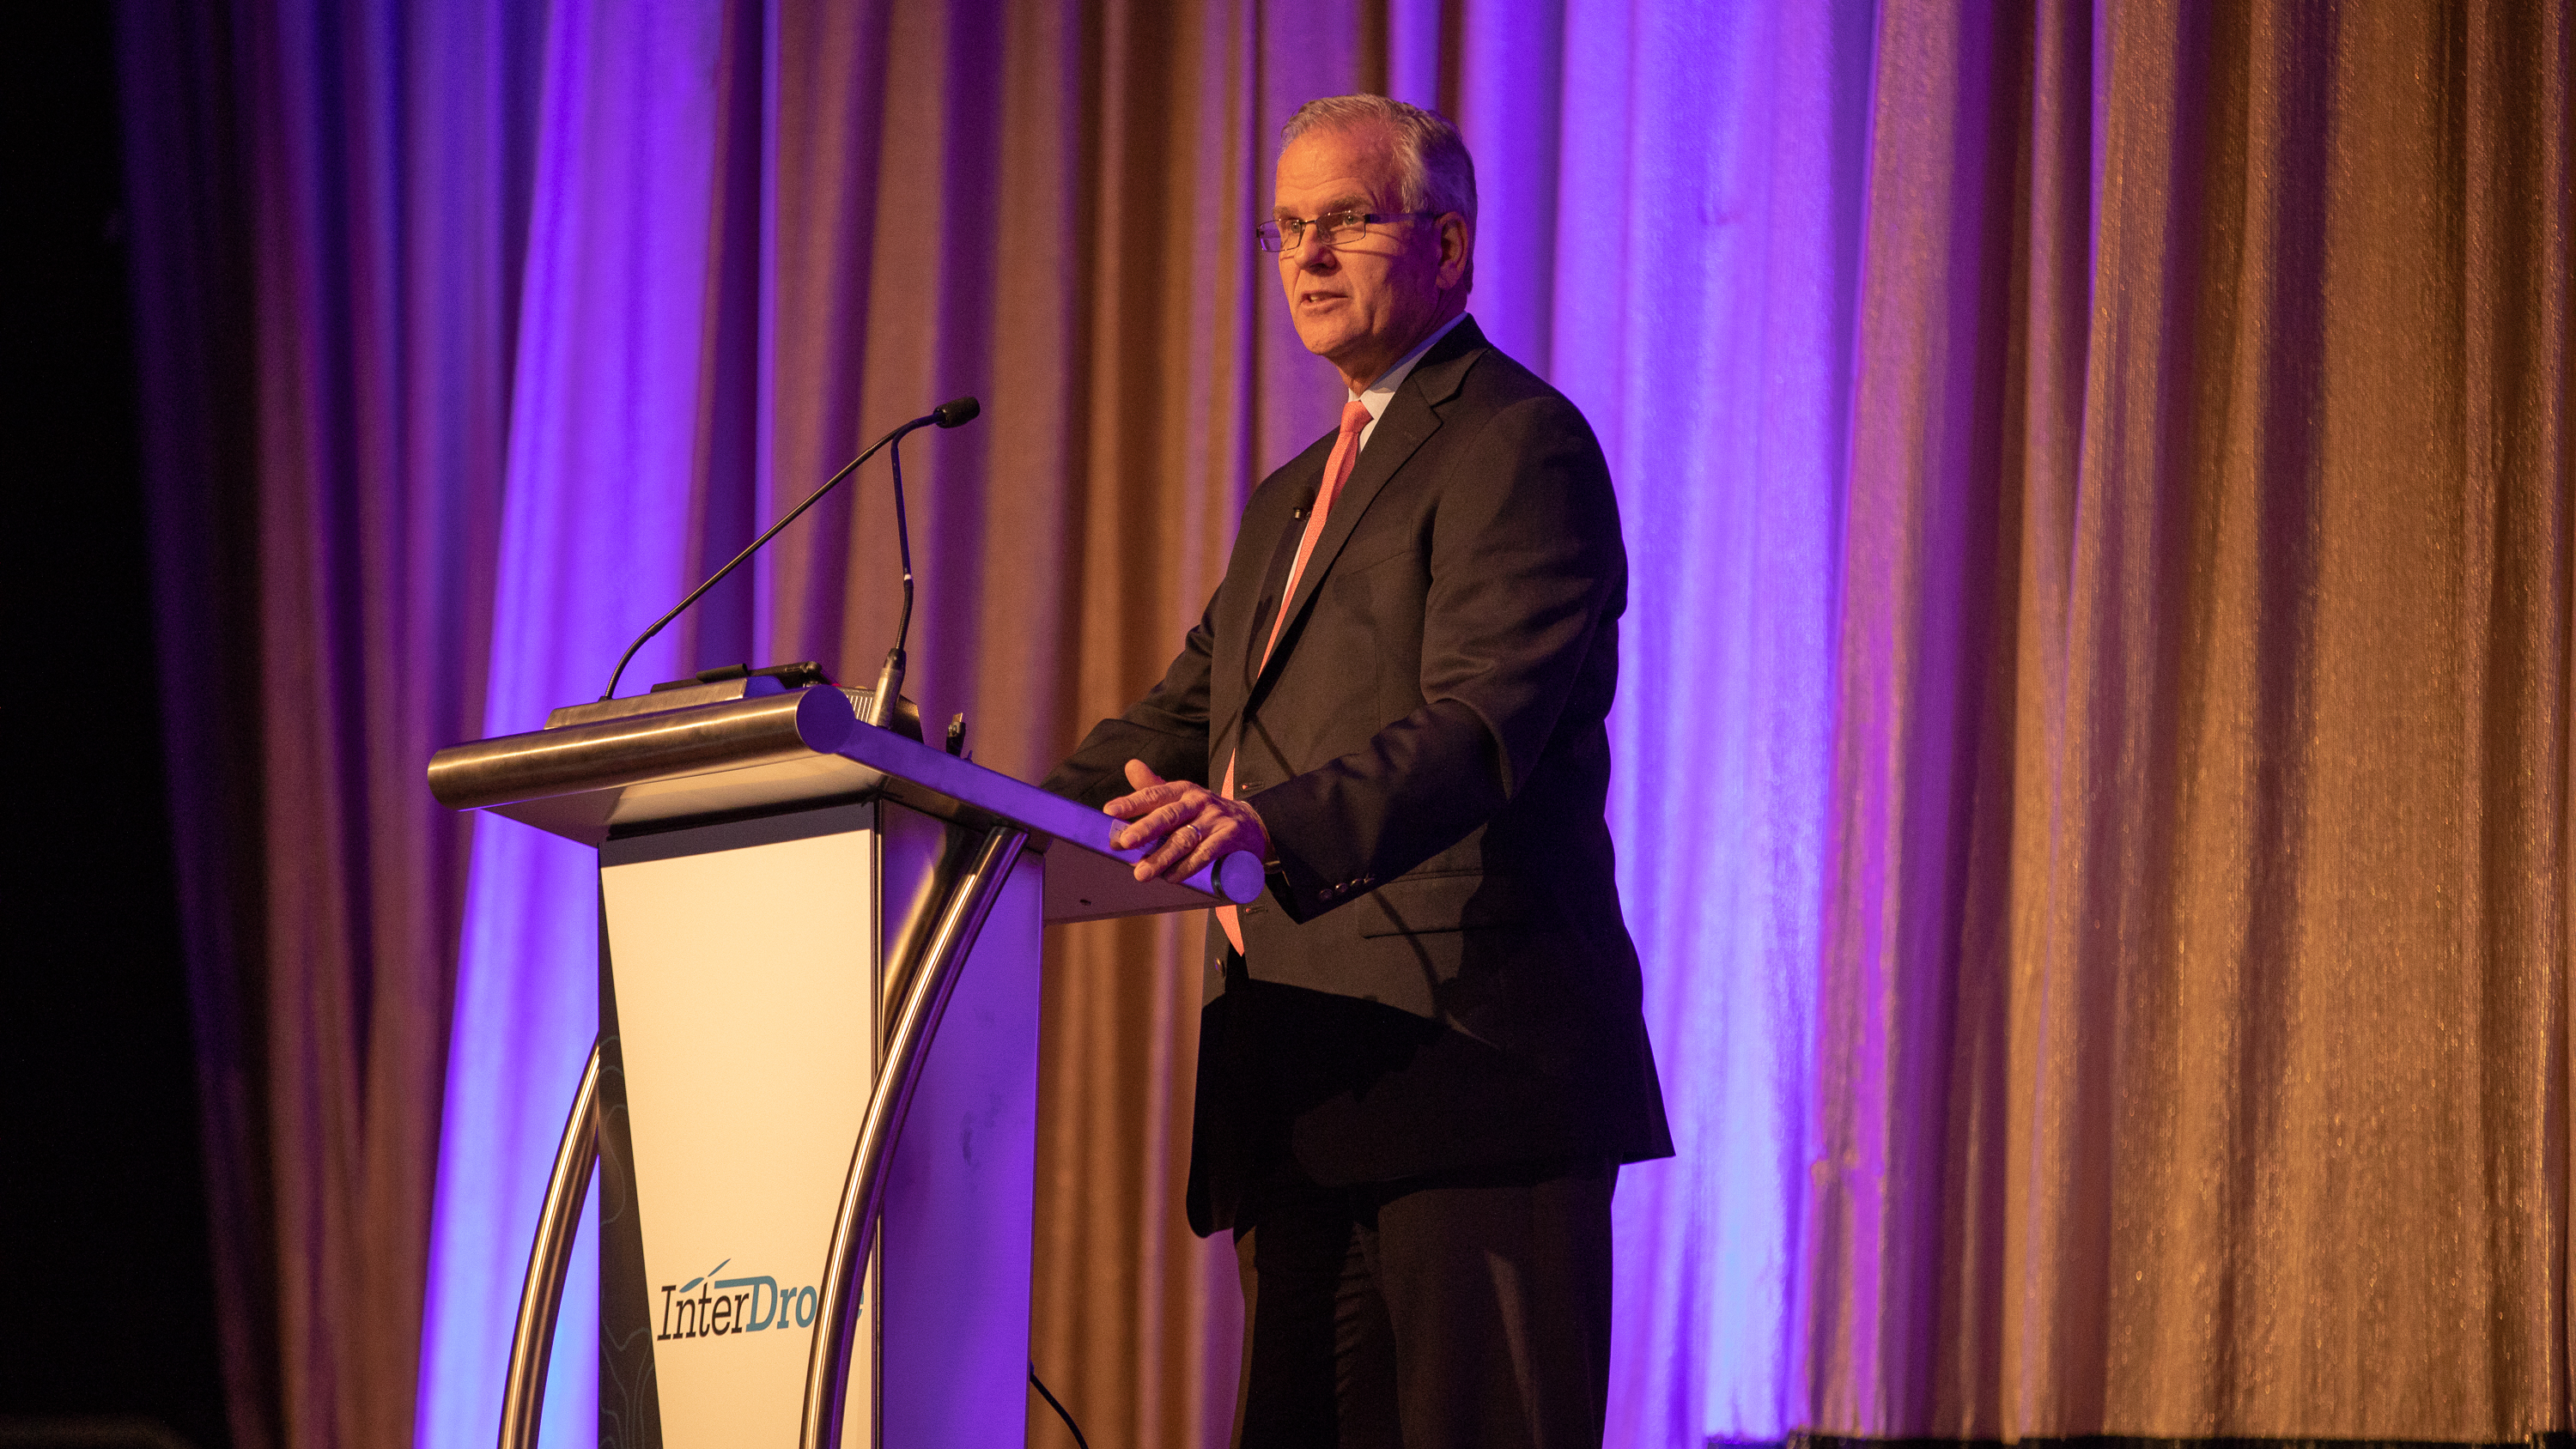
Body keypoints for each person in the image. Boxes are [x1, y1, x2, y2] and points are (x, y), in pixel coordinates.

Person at [1042, 94, 1670, 1449]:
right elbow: (1186, 715)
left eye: (1345, 219)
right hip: (1303, 1082)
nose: (1308, 256)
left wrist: (1264, 826)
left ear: (1448, 245)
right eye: (1286, 228)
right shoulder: (1290, 494)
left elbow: (1482, 721)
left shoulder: (1518, 441)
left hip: (1473, 1067)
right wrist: (979, 825)